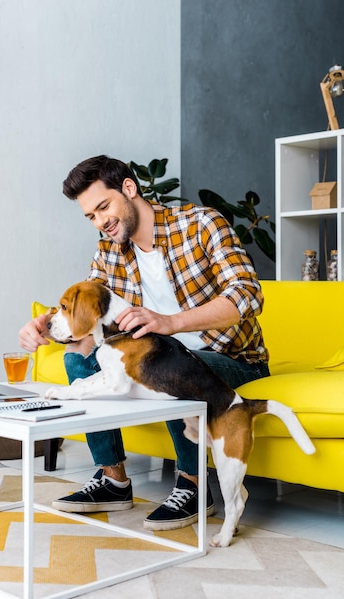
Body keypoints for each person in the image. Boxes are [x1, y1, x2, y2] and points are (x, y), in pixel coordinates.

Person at [19, 155, 270, 531]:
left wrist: (171, 322)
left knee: (162, 364)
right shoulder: (110, 252)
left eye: (104, 207)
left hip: (230, 358)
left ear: (130, 189)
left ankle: (194, 485)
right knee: (78, 361)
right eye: (91, 216)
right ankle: (113, 480)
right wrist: (49, 324)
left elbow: (248, 294)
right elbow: (85, 314)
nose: (101, 222)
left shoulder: (201, 224)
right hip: (162, 357)